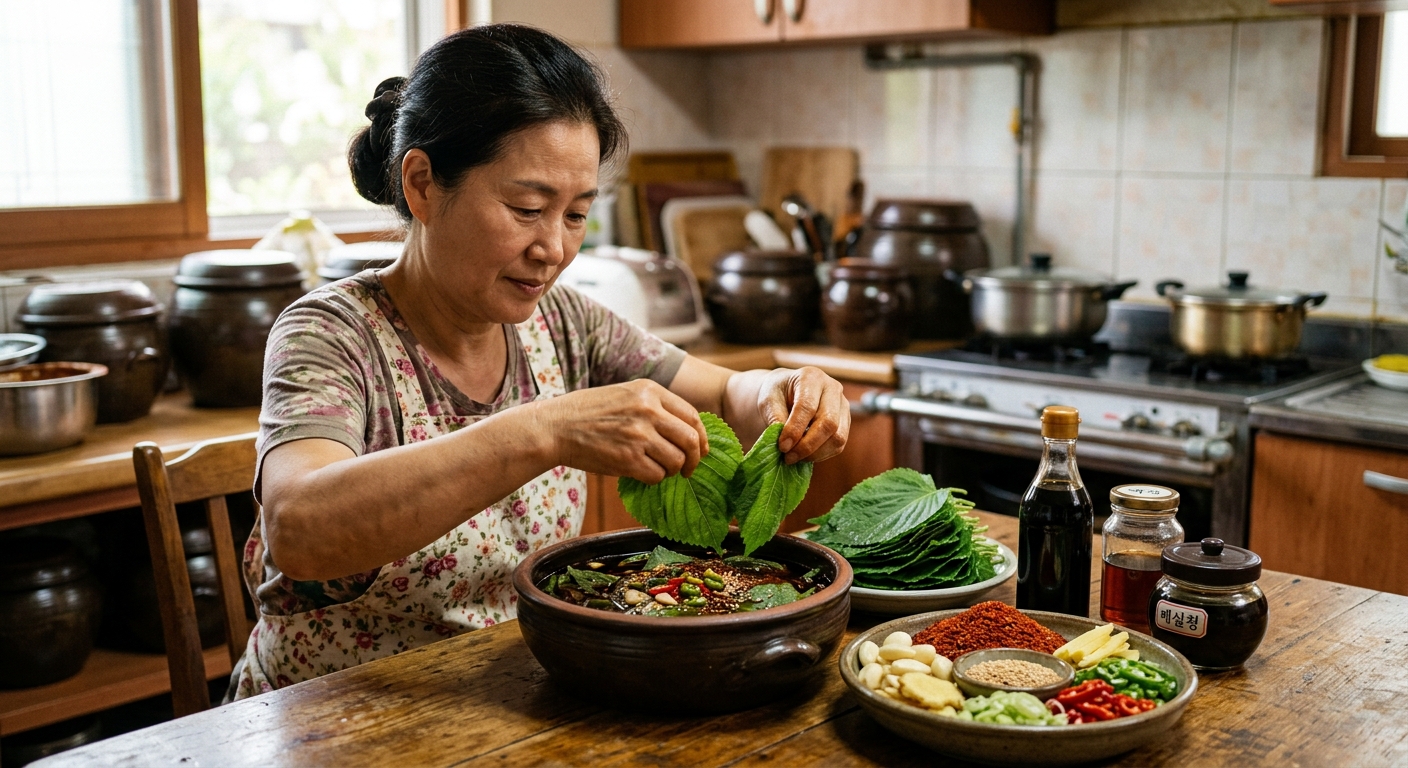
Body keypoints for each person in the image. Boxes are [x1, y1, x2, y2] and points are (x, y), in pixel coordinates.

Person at [230, 24, 849, 699]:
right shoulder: (330, 334)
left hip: (511, 699)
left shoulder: (565, 323)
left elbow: (728, 394)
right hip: (330, 718)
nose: (553, 248)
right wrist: (545, 430)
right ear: (422, 184)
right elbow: (299, 530)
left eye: (576, 215)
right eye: (527, 208)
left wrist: (784, 391)